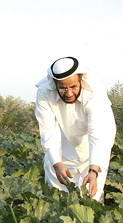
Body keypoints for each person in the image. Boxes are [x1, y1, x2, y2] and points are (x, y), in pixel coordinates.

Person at [35, 57, 117, 200]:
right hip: (64, 139)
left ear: (82, 80)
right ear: (55, 84)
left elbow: (97, 137)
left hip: (94, 143)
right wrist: (57, 164)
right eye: (62, 88)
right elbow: (48, 131)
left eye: (73, 87)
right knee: (56, 191)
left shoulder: (94, 94)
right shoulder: (44, 92)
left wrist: (93, 171)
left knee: (91, 197)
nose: (68, 93)